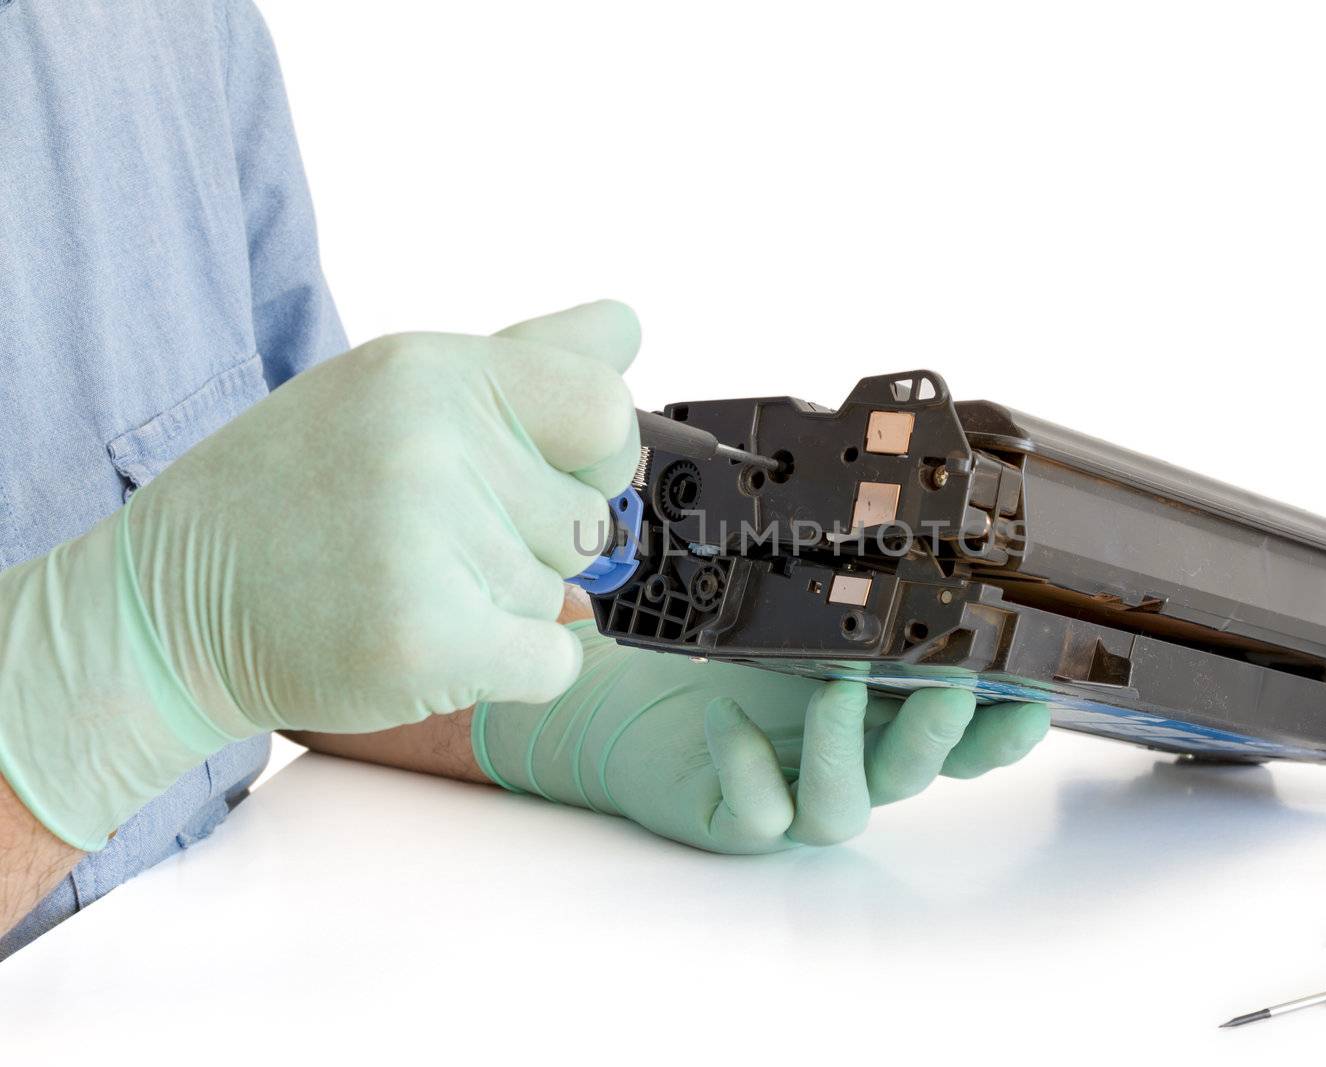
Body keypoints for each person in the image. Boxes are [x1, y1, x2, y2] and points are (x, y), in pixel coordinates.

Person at [0, 0, 1050, 960]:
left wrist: (571, 704)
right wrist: (131, 668)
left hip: (237, 955)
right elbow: (203, 626)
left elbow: (301, 609)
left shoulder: (165, 23)